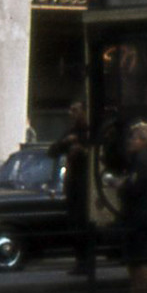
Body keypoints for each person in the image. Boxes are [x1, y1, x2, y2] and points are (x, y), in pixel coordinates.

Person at [107, 123, 147, 293]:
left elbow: (135, 186)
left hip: (141, 213)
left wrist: (120, 185)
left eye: (134, 138)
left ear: (144, 140)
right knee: (137, 257)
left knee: (139, 258)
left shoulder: (143, 160)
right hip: (145, 212)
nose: (130, 141)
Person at [47, 103, 91, 272]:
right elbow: (52, 152)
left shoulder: (90, 132)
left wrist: (83, 150)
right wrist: (66, 142)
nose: (71, 113)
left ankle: (85, 261)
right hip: (73, 183)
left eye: (75, 110)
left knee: (83, 223)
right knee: (75, 223)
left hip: (86, 184)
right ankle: (81, 261)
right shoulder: (72, 132)